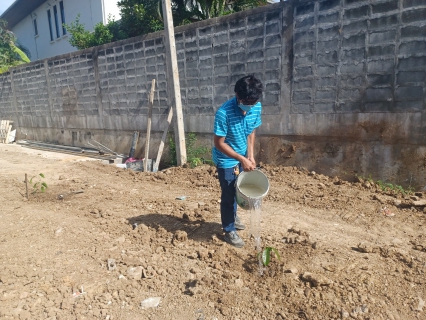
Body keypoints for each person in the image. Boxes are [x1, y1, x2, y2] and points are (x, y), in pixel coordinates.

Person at [212, 74, 264, 248]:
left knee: (238, 190)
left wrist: (250, 156)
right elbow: (219, 143)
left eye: (252, 103)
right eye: (245, 103)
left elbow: (251, 131)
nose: (248, 108)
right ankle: (229, 230)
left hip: (242, 156)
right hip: (226, 158)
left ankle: (232, 216)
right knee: (228, 194)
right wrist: (240, 158)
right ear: (237, 95)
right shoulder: (223, 113)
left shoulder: (256, 107)